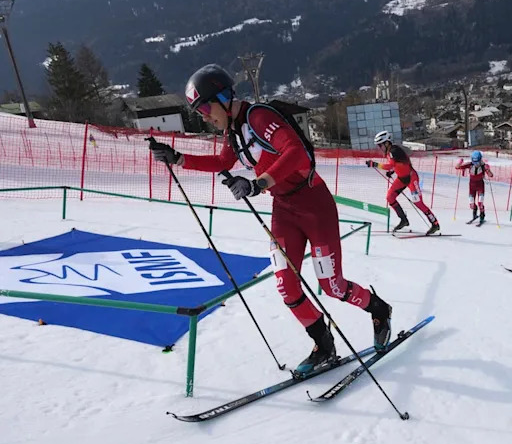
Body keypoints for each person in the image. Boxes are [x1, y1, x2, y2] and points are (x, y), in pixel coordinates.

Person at [149, 64, 393, 374]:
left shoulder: (259, 117)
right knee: (286, 287)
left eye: (206, 107)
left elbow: (296, 154)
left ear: (223, 97)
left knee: (331, 285)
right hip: (283, 211)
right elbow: (223, 161)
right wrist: (179, 158)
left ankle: (379, 310)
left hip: (314, 206)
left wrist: (257, 183)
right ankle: (323, 343)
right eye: (200, 112)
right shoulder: (233, 131)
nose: (205, 116)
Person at [365, 131, 440, 235]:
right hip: (402, 179)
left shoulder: (394, 151)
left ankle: (435, 223)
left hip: (411, 178)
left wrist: (375, 164)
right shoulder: (390, 151)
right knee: (390, 197)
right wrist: (393, 171)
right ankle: (403, 220)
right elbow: (398, 164)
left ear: (387, 143)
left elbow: (390, 165)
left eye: (380, 145)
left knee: (418, 202)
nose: (380, 147)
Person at [455, 150, 494, 225]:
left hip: (480, 186)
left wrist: (488, 170)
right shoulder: (470, 164)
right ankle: (475, 215)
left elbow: (491, 175)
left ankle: (482, 216)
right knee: (472, 205)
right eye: (474, 162)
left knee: (480, 203)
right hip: (472, 186)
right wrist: (460, 162)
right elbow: (457, 167)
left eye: (477, 162)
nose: (476, 164)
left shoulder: (483, 166)